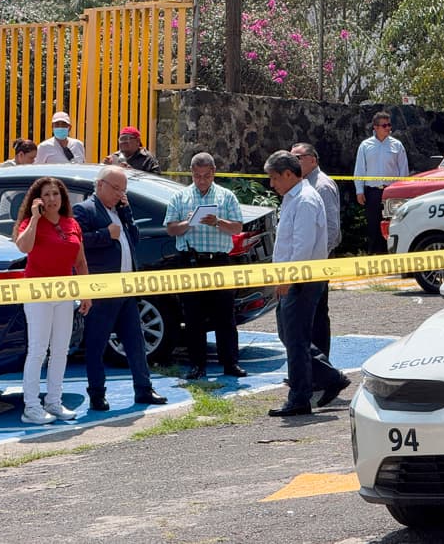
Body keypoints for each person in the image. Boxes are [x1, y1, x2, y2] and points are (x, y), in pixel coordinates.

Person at [73, 166, 168, 411]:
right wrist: (106, 234)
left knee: (136, 341)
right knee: (97, 344)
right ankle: (97, 393)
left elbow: (133, 239)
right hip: (103, 289)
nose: (119, 194)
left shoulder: (119, 211)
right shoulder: (84, 210)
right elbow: (78, 243)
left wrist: (127, 214)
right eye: (116, 189)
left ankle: (144, 389)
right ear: (100, 184)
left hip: (126, 287)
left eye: (123, 190)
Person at [264, 151, 350, 417]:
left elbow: (302, 247)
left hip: (301, 279)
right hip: (296, 279)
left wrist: (288, 280)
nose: (272, 184)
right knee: (290, 335)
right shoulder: (294, 198)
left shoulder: (304, 200)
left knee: (296, 339)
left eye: (274, 178)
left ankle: (300, 397)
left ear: (289, 174)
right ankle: (330, 377)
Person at [13, 177, 91, 424]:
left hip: (65, 293)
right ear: (38, 199)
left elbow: (80, 262)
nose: (51, 199)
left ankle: (54, 402)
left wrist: (85, 292)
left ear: (62, 197)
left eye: (55, 194)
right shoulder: (30, 222)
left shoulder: (71, 223)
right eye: (46, 195)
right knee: (37, 350)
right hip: (38, 293)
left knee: (60, 350)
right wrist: (35, 218)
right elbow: (23, 247)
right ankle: (31, 406)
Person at [164, 152, 247, 380]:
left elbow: (237, 227)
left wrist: (218, 222)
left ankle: (230, 363)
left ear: (214, 173)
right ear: (192, 173)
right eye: (198, 176)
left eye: (206, 176)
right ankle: (197, 365)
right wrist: (187, 223)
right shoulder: (180, 197)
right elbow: (170, 229)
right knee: (193, 317)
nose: (202, 180)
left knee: (225, 316)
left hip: (218, 260)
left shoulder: (226, 196)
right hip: (190, 261)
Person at [291, 142, 340, 361]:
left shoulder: (321, 186)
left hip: (316, 263)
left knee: (317, 315)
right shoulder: (300, 185)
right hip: (306, 262)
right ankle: (310, 365)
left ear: (313, 159)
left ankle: (321, 366)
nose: (294, 161)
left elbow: (331, 228)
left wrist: (319, 259)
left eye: (298, 157)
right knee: (304, 316)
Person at [354, 111, 409, 255]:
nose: (388, 128)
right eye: (384, 125)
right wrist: (359, 191)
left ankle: (393, 254)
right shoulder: (365, 146)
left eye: (389, 125)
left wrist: (402, 191)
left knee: (393, 224)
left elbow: (403, 170)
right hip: (372, 192)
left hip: (392, 192)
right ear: (375, 127)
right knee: (373, 225)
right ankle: (375, 256)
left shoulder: (397, 145)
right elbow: (360, 169)